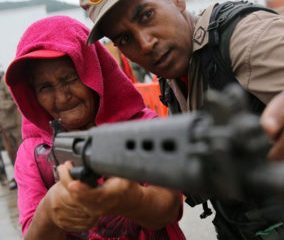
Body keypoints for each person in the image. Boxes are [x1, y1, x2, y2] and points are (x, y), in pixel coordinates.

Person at [80, 0, 284, 239]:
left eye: (146, 15)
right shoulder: (176, 76)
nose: (144, 43)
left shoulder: (245, 38)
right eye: (125, 38)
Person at [5, 16, 185, 240]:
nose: (61, 97)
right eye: (45, 87)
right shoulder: (33, 155)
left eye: (70, 78)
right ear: (32, 94)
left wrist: (133, 200)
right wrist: (50, 211)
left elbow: (170, 208)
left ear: (93, 71)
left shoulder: (143, 128)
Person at [0, 65, 22, 190]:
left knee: (20, 151)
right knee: (10, 153)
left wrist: (1, 104)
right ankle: (17, 178)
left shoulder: (4, 81)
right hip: (4, 127)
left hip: (15, 122)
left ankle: (24, 177)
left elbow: (13, 99)